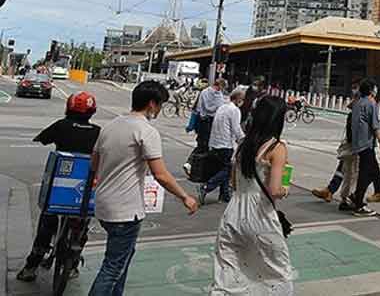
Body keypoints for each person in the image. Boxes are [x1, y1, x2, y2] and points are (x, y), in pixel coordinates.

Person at [89, 81, 198, 296]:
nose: (158, 110)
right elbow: (161, 175)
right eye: (159, 105)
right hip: (125, 211)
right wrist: (185, 197)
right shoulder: (146, 131)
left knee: (122, 260)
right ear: (151, 104)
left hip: (103, 205)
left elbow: (94, 166)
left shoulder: (110, 126)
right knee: (112, 268)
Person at [210, 96, 293, 294]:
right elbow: (274, 190)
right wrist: (285, 188)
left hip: (234, 214)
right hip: (260, 216)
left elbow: (233, 183)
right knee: (276, 272)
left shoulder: (243, 145)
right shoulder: (277, 148)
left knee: (229, 271)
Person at [17, 92, 101, 282]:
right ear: (92, 111)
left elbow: (41, 138)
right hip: (84, 192)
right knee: (83, 222)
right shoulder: (98, 131)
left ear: (68, 108)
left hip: (59, 190)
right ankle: (73, 263)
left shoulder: (61, 126)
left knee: (47, 222)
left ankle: (31, 266)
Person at [312, 86, 361, 210]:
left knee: (353, 172)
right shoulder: (356, 112)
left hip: (357, 147)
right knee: (350, 171)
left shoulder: (357, 111)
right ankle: (341, 196)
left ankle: (335, 192)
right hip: (355, 147)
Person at [198, 88, 246, 205]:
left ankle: (224, 195)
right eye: (242, 99)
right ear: (238, 99)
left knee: (223, 168)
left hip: (215, 143)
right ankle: (206, 187)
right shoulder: (234, 110)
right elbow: (236, 129)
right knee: (228, 169)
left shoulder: (222, 107)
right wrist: (243, 139)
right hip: (225, 144)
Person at [350, 79, 380, 216]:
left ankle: (360, 196)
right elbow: (375, 126)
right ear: (372, 91)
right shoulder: (370, 104)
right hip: (366, 144)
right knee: (365, 174)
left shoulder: (357, 103)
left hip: (358, 143)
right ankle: (358, 203)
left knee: (372, 170)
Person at [194, 78, 228, 152]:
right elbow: (207, 107)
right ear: (219, 85)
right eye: (222, 87)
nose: (222, 90)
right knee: (203, 141)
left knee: (207, 140)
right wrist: (217, 106)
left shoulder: (217, 93)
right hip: (206, 119)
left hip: (209, 119)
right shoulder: (207, 92)